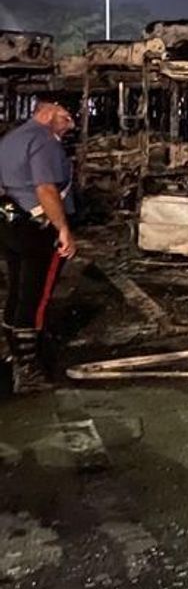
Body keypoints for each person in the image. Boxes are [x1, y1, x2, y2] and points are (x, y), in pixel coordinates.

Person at [0, 94, 78, 391]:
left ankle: (14, 354)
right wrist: (63, 229)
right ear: (48, 111)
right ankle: (29, 369)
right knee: (36, 298)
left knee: (18, 291)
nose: (70, 124)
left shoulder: (12, 139)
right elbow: (46, 189)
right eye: (66, 117)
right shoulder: (44, 141)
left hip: (10, 222)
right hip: (38, 227)